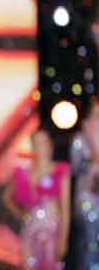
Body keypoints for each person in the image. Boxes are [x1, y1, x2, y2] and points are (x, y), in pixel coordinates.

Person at [2, 128, 70, 270]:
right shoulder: (24, 173)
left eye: (44, 142)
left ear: (50, 145)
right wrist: (21, 215)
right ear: (33, 146)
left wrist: (63, 241)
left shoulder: (60, 171)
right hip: (30, 232)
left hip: (52, 231)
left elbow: (65, 210)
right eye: (38, 142)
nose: (42, 146)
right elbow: (6, 197)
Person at [74, 100, 99, 269]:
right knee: (89, 244)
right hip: (88, 200)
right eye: (96, 115)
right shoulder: (80, 141)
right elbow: (77, 170)